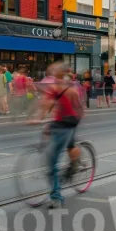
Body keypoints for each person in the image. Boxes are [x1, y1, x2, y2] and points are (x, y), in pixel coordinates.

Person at [29, 62, 84, 209]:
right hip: (71, 122)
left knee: (51, 164)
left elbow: (45, 104)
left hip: (64, 125)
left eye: (52, 72)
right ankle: (73, 163)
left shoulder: (56, 88)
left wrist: (37, 119)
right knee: (52, 132)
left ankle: (57, 197)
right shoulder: (70, 87)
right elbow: (77, 106)